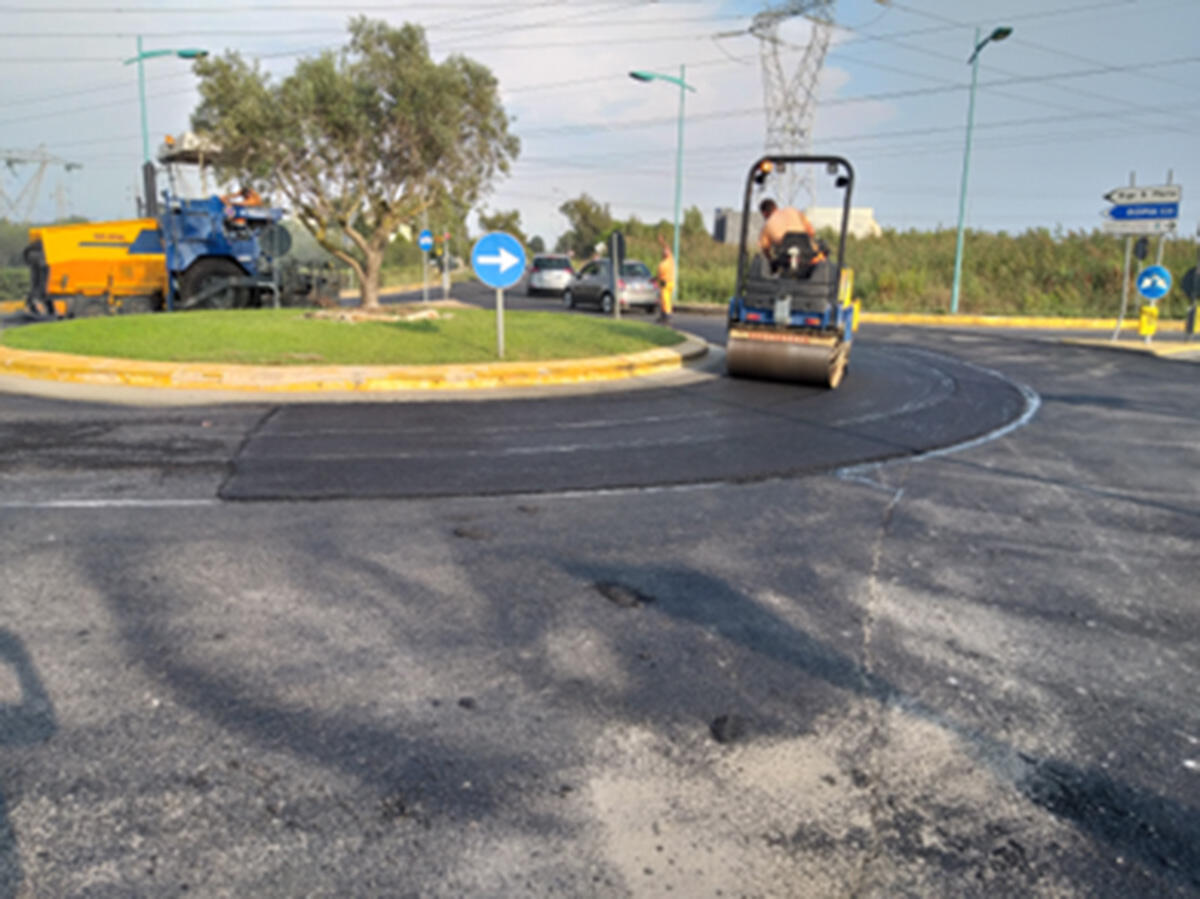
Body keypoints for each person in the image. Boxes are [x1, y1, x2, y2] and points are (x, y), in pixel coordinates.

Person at [758, 198, 824, 269]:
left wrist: (771, 261)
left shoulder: (766, 226)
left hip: (784, 258)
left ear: (764, 213)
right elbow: (811, 232)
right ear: (775, 207)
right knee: (822, 247)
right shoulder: (792, 211)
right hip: (807, 254)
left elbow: (765, 248)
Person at [655, 234, 675, 324]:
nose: (665, 252)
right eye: (664, 252)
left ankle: (667, 316)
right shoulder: (662, 262)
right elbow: (659, 274)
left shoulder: (670, 259)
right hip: (662, 282)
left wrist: (662, 241)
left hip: (667, 282)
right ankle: (663, 315)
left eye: (666, 251)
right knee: (663, 299)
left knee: (665, 299)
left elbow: (667, 247)